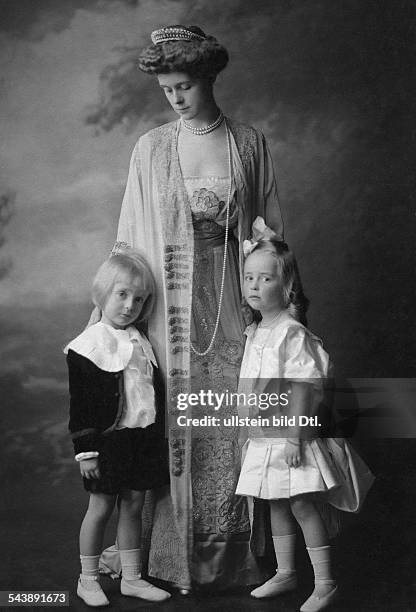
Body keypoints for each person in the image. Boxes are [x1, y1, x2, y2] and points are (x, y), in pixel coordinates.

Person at [99, 24, 288, 590]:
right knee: (175, 422)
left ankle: (236, 559)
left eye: (184, 85)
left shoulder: (248, 143)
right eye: (166, 90)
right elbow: (131, 236)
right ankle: (171, 558)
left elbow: (271, 231)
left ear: (207, 78)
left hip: (235, 299)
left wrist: (259, 262)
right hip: (171, 306)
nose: (176, 97)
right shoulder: (152, 147)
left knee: (233, 418)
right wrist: (115, 315)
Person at [235, 228, 375, 611]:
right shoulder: (256, 330)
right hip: (265, 435)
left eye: (266, 278)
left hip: (290, 435)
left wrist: (296, 437)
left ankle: (326, 583)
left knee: (300, 503)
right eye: (249, 277)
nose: (255, 285)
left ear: (287, 285)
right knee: (274, 503)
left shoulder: (291, 333)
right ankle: (285, 572)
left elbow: (305, 387)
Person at [64, 248, 171, 607]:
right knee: (100, 508)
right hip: (107, 444)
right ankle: (88, 578)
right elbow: (80, 406)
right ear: (103, 294)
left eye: (138, 300)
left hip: (141, 440)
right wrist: (86, 452)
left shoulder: (141, 340)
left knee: (134, 507)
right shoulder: (88, 346)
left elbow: (148, 395)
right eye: (121, 294)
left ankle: (132, 578)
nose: (129, 306)